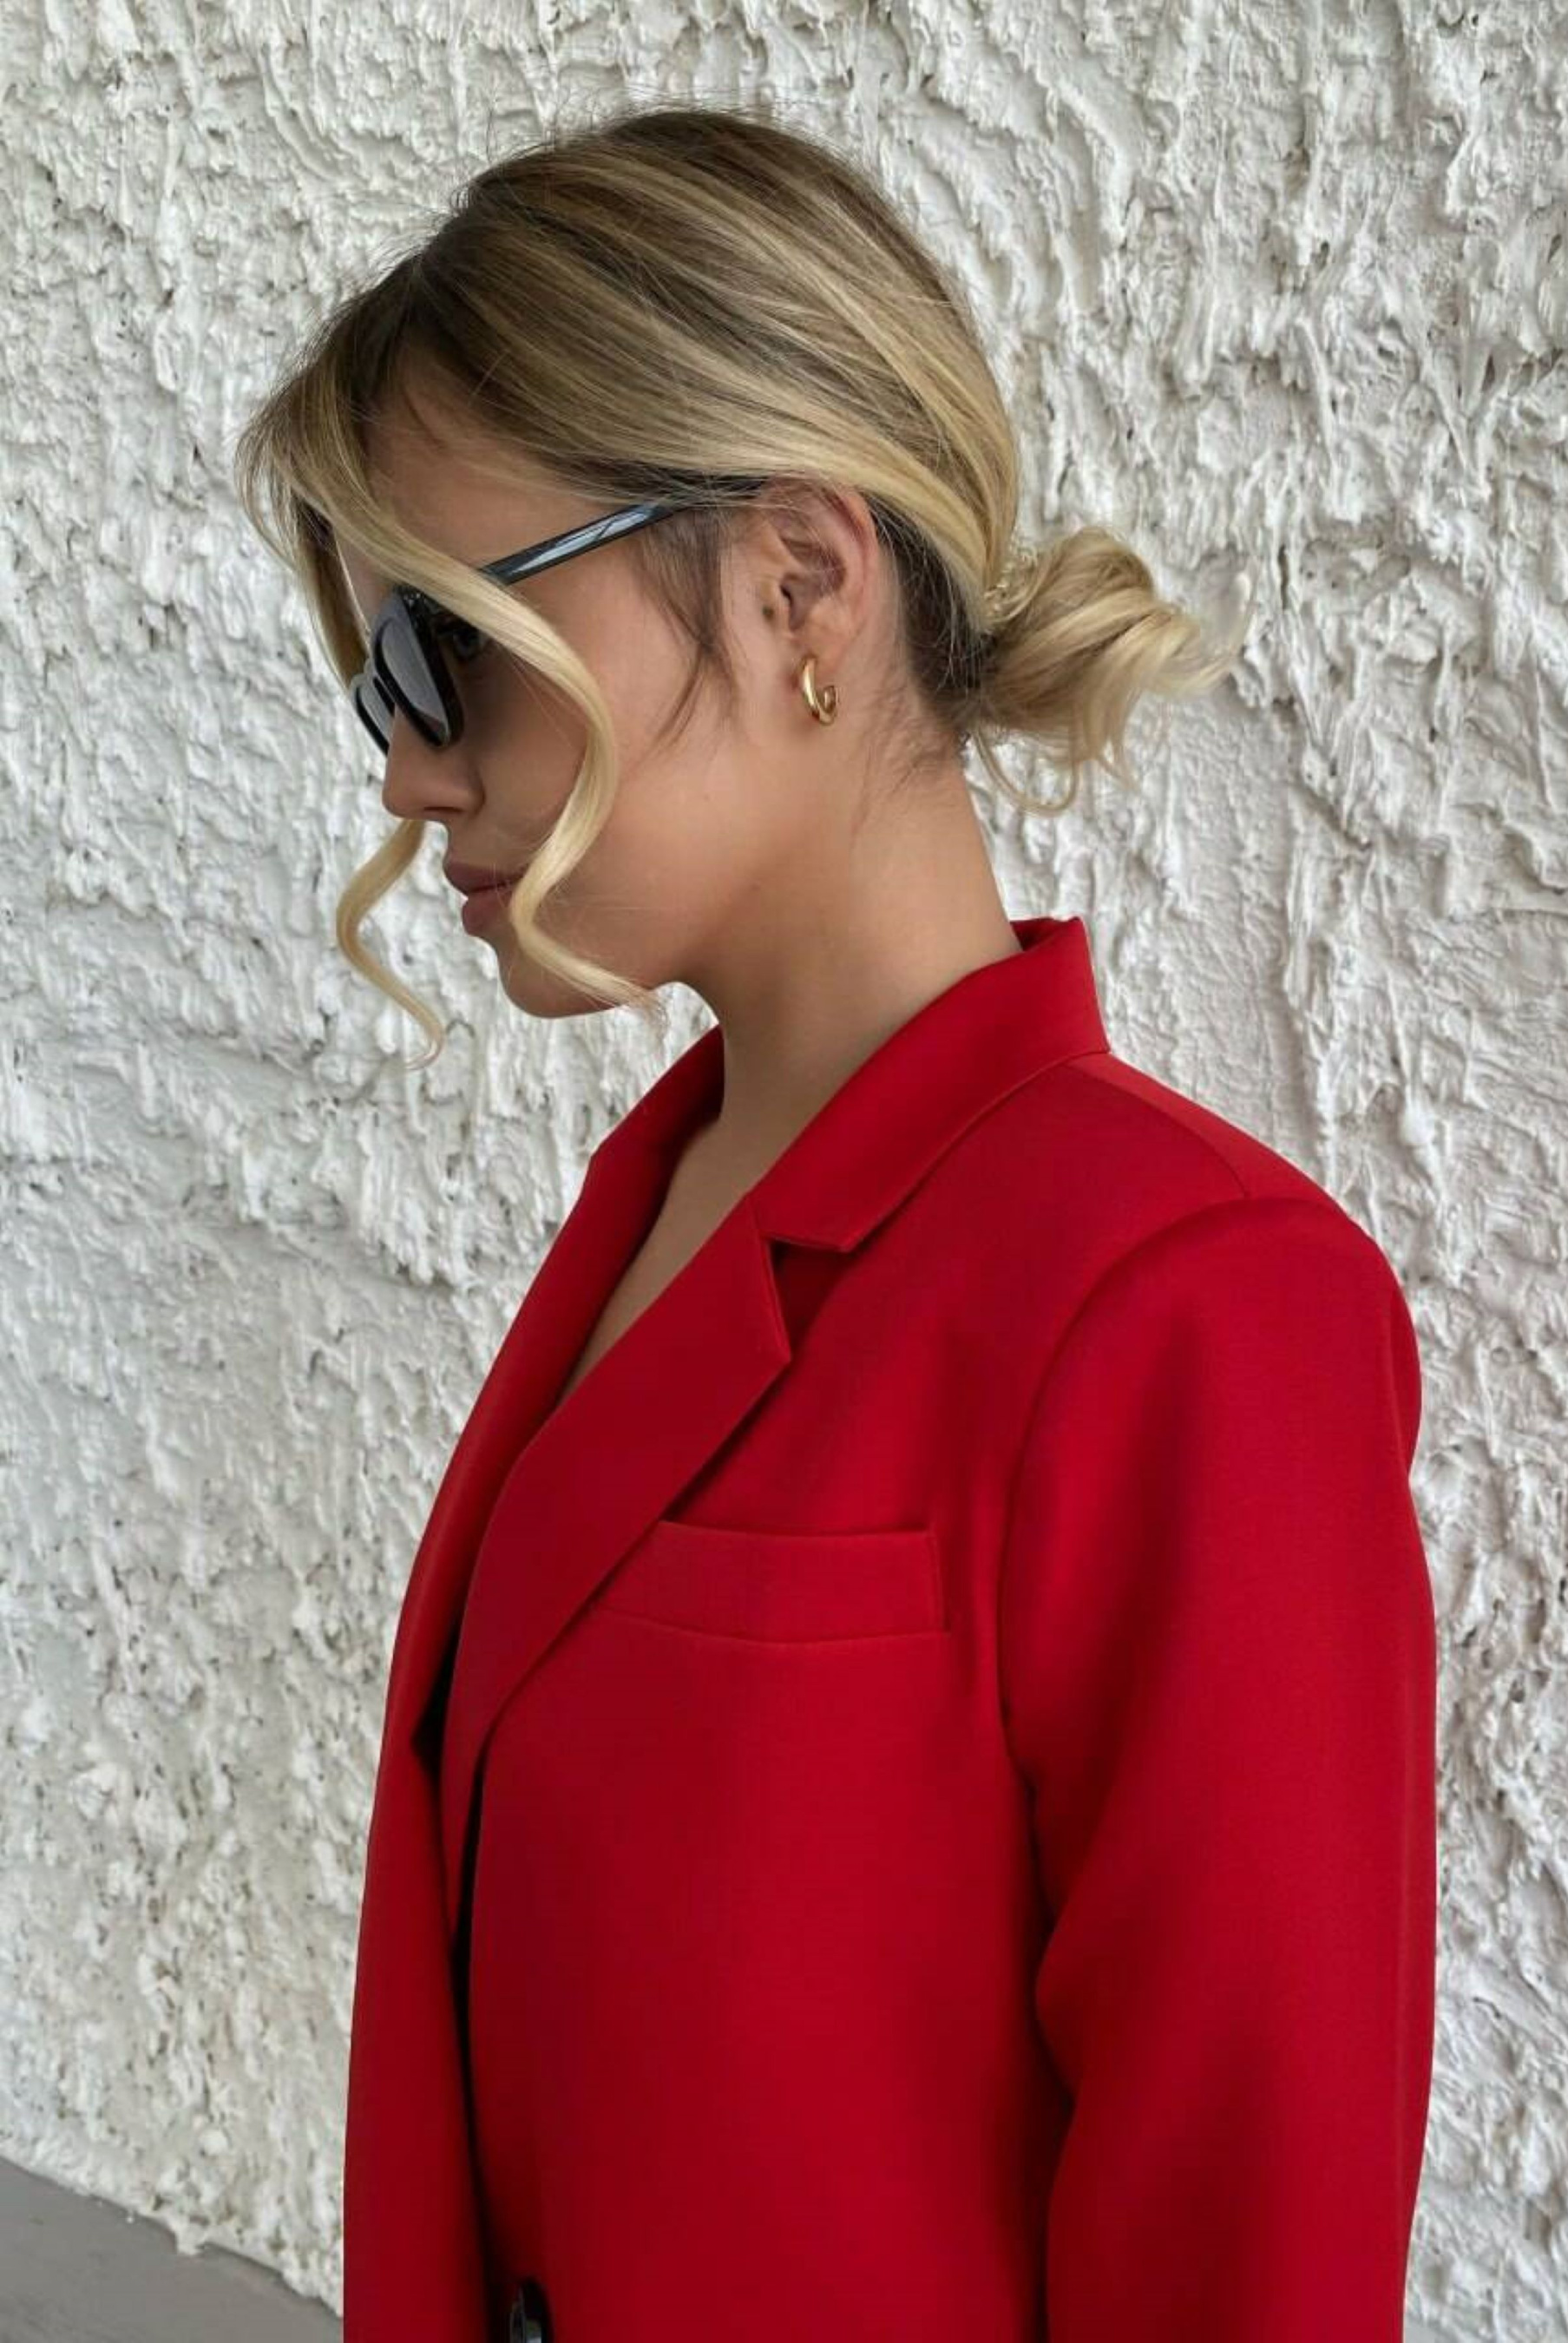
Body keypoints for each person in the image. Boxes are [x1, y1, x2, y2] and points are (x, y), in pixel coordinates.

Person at [233, 99, 1436, 2343]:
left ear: (799, 584)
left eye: (448, 651)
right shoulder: (656, 1212)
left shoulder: (1187, 1312)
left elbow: (1244, 2261)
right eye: (383, 674)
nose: (405, 766)